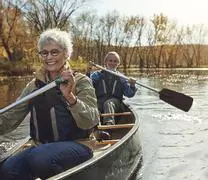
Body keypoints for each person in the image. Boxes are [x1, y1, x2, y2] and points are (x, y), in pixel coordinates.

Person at [0, 28, 100, 180]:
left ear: (66, 54)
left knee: (40, 159)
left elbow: (91, 120)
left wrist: (70, 97)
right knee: (8, 169)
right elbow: (10, 118)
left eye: (55, 52)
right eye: (44, 53)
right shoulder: (34, 86)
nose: (49, 57)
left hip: (79, 145)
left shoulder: (81, 81)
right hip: (41, 149)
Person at [90, 52, 137, 125]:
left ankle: (109, 124)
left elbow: (129, 94)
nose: (112, 63)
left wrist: (132, 85)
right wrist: (87, 72)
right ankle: (94, 126)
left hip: (116, 103)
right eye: (110, 60)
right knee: (94, 106)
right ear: (106, 62)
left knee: (108, 103)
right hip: (99, 101)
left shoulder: (122, 78)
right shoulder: (97, 75)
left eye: (115, 61)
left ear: (118, 63)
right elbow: (88, 85)